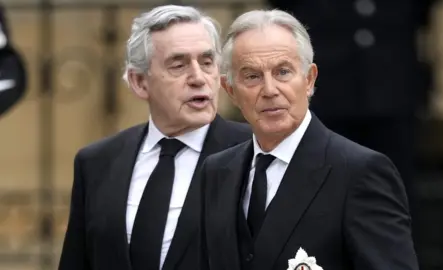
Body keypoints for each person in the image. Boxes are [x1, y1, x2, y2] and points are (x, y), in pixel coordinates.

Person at [199, 9, 418, 270]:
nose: (270, 90)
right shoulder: (217, 171)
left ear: (309, 79)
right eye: (252, 76)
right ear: (230, 90)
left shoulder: (360, 173)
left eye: (282, 72)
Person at [58, 5, 250, 270]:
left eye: (207, 62)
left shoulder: (255, 152)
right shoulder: (96, 162)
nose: (198, 78)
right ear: (139, 82)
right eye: (178, 65)